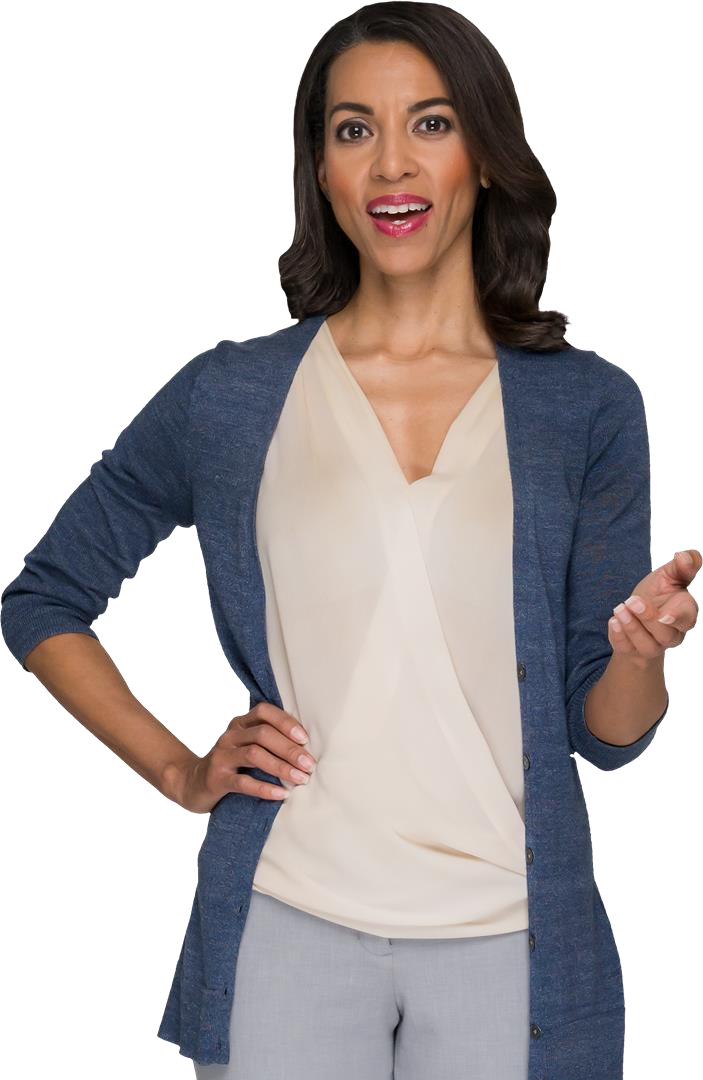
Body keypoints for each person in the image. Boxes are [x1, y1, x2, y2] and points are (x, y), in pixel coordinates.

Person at [1, 5, 698, 1079]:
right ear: (319, 170)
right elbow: (45, 599)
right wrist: (181, 771)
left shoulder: (588, 406)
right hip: (288, 921)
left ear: (484, 152)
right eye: (353, 129)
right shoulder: (230, 395)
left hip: (510, 937)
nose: (390, 163)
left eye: (430, 122)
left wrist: (640, 654)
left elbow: (607, 734)